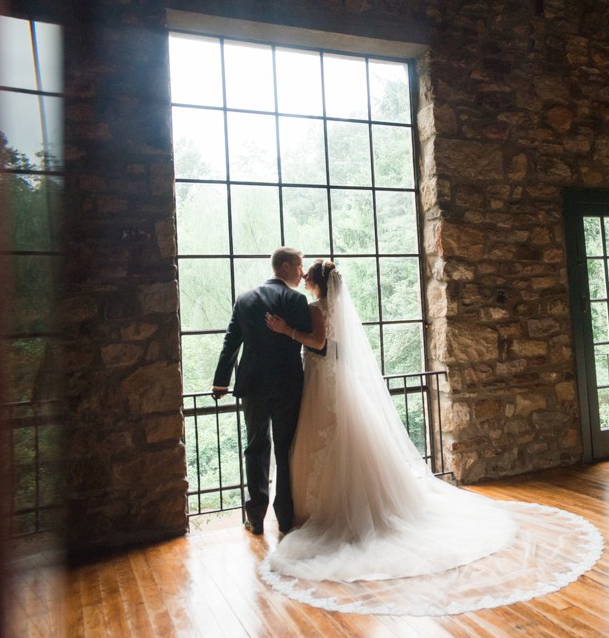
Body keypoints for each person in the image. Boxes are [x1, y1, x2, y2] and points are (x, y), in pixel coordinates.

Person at [262, 260, 516, 583]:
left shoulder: (316, 308)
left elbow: (319, 343)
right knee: (343, 436)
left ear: (317, 282)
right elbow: (336, 347)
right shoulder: (336, 307)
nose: (304, 278)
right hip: (335, 378)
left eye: (308, 275)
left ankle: (324, 509)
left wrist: (287, 331)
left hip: (322, 381)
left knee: (326, 436)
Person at [212, 247, 312, 536]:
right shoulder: (295, 299)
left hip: (252, 385)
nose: (301, 272)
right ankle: (285, 518)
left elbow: (231, 342)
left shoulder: (244, 300)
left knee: (255, 447)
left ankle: (255, 517)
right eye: (298, 265)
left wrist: (221, 382)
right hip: (287, 384)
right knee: (284, 448)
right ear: (283, 266)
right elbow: (308, 340)